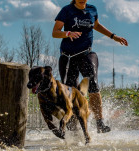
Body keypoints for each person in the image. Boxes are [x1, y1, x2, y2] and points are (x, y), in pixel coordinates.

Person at [52, 0, 128, 133]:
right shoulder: (66, 10)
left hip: (86, 53)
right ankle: (74, 128)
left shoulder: (92, 10)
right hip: (68, 57)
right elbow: (55, 32)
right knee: (71, 91)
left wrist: (113, 36)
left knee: (92, 83)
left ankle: (100, 123)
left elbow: (96, 25)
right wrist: (68, 33)